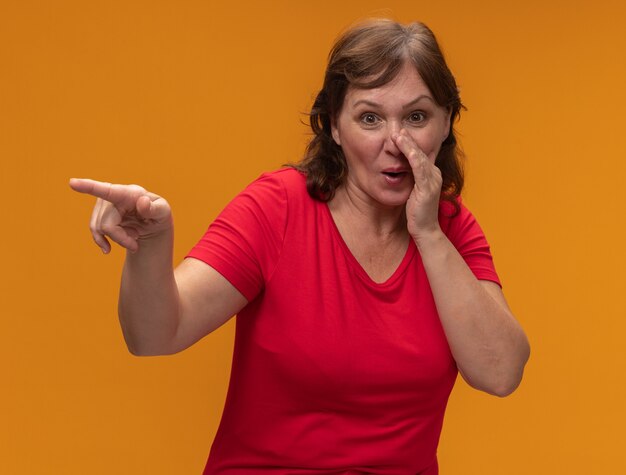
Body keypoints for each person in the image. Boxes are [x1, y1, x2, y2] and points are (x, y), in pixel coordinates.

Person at [70, 18, 529, 475]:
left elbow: (500, 373)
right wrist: (149, 246)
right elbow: (153, 336)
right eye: (370, 118)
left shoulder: (450, 227)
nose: (397, 142)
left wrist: (428, 234)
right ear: (333, 126)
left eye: (416, 117)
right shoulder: (277, 208)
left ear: (446, 122)